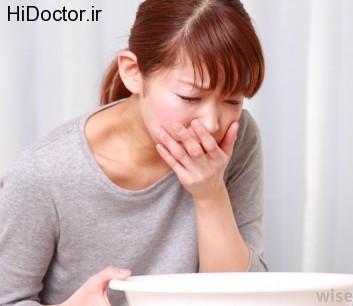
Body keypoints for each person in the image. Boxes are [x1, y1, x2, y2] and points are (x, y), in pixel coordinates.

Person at [0, 0, 268, 305]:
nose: (211, 123)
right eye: (190, 96)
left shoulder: (237, 140)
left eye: (232, 101)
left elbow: (246, 297)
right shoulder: (43, 173)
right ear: (133, 73)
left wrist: (210, 192)